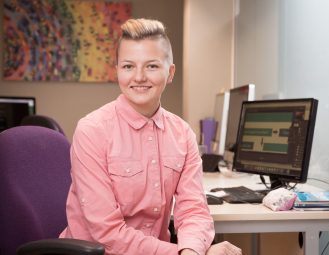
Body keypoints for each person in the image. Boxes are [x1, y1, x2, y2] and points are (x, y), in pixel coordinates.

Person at [60, 18, 242, 255]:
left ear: (170, 72)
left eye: (152, 66)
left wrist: (192, 251)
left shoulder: (182, 134)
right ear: (117, 71)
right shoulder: (91, 131)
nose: (139, 77)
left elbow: (193, 210)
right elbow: (106, 233)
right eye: (128, 66)